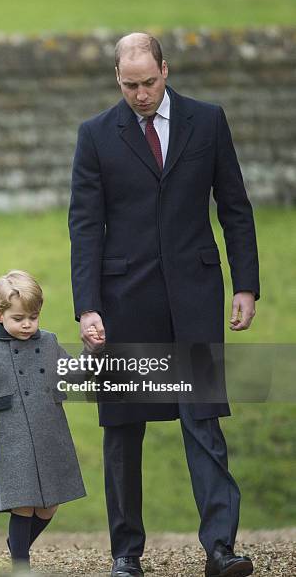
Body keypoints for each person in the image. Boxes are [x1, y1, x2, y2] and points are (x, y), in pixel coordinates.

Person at [69, 33, 259, 577]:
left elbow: (235, 208)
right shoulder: (96, 136)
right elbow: (84, 228)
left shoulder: (208, 121)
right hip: (123, 301)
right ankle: (126, 555)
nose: (141, 94)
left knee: (203, 421)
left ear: (165, 70)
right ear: (117, 78)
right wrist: (88, 306)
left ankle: (221, 549)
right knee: (124, 430)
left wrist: (245, 284)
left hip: (196, 298)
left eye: (149, 82)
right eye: (130, 85)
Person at [0, 270, 86, 570]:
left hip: (49, 432)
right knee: (23, 504)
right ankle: (20, 565)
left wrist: (91, 353)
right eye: (18, 318)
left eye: (33, 316)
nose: (27, 324)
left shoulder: (50, 342)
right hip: (12, 436)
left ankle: (16, 546)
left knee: (50, 505)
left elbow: (72, 374)